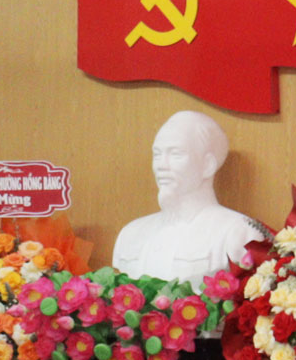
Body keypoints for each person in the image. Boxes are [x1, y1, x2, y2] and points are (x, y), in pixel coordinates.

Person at [109, 109, 268, 283]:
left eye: (175, 154)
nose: (161, 165)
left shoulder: (240, 233)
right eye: (157, 154)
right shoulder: (131, 234)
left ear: (208, 165)